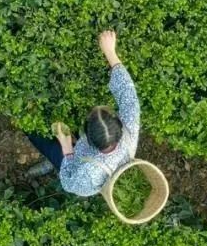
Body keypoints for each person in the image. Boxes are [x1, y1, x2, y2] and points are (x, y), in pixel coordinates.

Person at [26, 30, 140, 197]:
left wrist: (67, 149)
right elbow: (127, 93)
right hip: (85, 152)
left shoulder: (89, 174)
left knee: (38, 137)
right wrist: (110, 51)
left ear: (86, 138)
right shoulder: (130, 130)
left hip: (76, 161)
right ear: (119, 125)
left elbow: (68, 182)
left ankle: (51, 162)